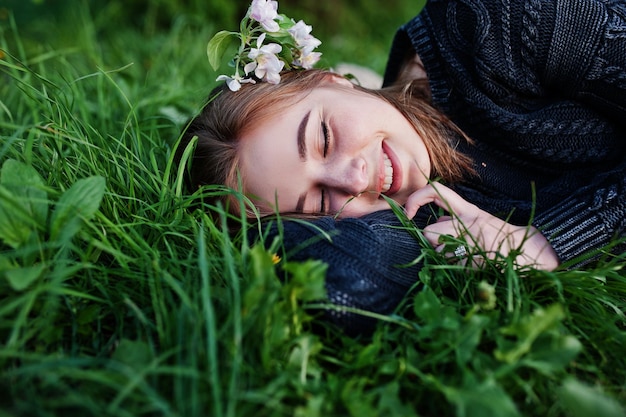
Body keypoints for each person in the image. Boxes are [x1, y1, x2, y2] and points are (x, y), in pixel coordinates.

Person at [176, 0, 626, 334]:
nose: (353, 181)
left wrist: (546, 242)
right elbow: (349, 282)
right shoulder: (414, 213)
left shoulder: (499, 23)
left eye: (325, 138)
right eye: (316, 202)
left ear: (330, 79)